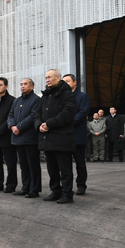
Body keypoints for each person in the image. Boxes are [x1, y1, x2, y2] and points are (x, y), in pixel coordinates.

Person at [35, 69, 77, 204]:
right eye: (46, 77)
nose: (47, 79)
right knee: (51, 168)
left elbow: (67, 114)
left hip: (62, 138)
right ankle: (55, 191)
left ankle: (67, 194)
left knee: (64, 169)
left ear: (58, 78)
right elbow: (37, 114)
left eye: (50, 77)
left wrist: (49, 124)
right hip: (47, 138)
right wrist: (39, 125)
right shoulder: (45, 96)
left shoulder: (67, 95)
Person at [8, 78, 42, 198]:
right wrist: (12, 126)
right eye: (21, 84)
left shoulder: (36, 100)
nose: (22, 86)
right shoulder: (17, 101)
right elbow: (10, 115)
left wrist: (19, 127)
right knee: (23, 165)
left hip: (30, 137)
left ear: (32, 86)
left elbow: (33, 116)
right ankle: (25, 187)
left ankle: (34, 189)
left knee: (32, 164)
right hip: (18, 137)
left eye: (25, 84)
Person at [62, 73, 90, 195]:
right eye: (64, 82)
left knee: (80, 162)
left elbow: (82, 113)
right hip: (64, 135)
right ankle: (66, 187)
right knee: (65, 164)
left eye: (68, 81)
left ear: (75, 83)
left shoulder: (82, 96)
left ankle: (81, 185)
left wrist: (68, 123)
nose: (65, 84)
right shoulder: (61, 97)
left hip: (77, 133)